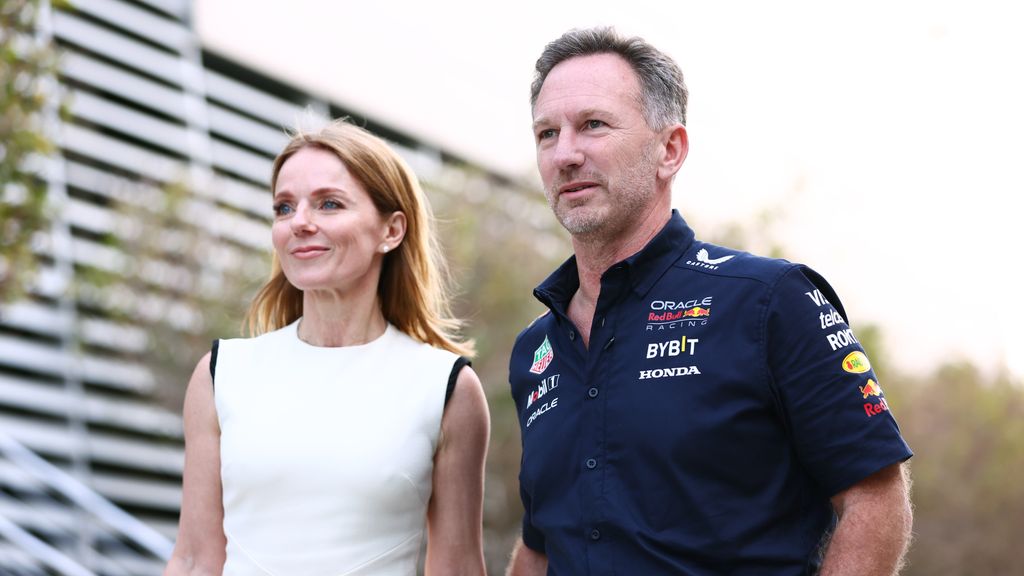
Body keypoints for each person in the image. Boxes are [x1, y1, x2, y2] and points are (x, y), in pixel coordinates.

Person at [506, 27, 913, 575]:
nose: (566, 154)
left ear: (669, 150)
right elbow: (539, 545)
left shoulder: (772, 302)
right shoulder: (536, 351)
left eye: (593, 125)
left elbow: (875, 496)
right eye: (547, 134)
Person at [164, 119, 490, 576]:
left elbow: (456, 569)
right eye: (283, 207)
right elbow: (195, 559)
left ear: (391, 231)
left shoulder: (447, 387)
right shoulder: (221, 374)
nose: (299, 223)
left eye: (329, 204)